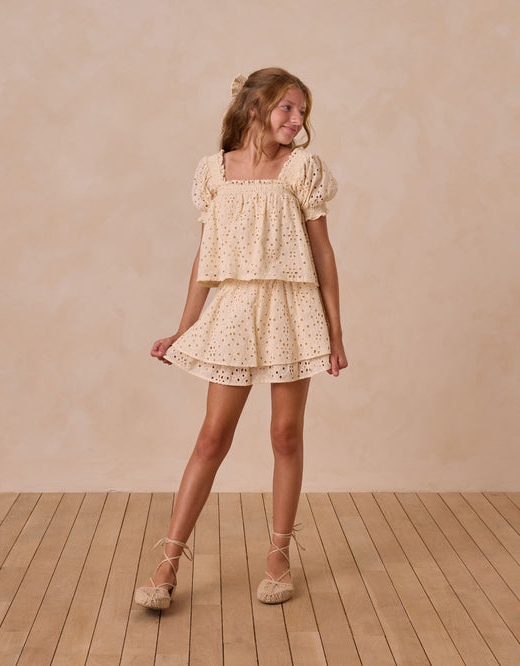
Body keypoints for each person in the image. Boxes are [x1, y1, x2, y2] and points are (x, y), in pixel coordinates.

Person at [135, 67, 348, 610]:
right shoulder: (214, 172)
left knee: (285, 435)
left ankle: (279, 557)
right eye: (287, 107)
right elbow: (204, 259)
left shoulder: (301, 169)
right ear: (255, 108)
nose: (297, 119)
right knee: (212, 438)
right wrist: (184, 329)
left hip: (292, 311)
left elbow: (323, 253)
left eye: (302, 111)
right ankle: (167, 563)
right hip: (233, 311)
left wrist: (336, 332)